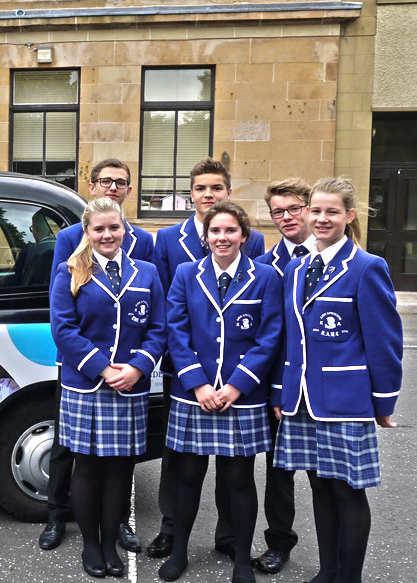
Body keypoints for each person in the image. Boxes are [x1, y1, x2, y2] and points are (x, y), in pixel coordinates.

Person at [274, 178, 402, 583]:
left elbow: (384, 342)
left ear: (349, 216)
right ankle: (327, 571)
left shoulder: (367, 267)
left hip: (345, 400)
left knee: (347, 491)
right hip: (301, 400)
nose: (322, 218)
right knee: (320, 489)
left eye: (332, 211)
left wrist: (383, 404)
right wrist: (281, 391)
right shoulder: (296, 267)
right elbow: (288, 339)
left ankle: (350, 577)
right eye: (315, 210)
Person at [147, 157, 266, 560]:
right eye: (201, 188)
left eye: (216, 188)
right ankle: (171, 528)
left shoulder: (254, 242)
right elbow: (165, 308)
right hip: (185, 370)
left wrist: (236, 381)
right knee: (179, 461)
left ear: (227, 193)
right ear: (191, 194)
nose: (208, 195)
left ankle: (230, 535)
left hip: (235, 372)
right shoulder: (167, 240)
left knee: (234, 467)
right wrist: (192, 374)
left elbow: (257, 311)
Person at [160, 201, 284, 583]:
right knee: (187, 477)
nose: (222, 237)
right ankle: (179, 552)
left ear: (244, 236)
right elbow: (176, 331)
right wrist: (198, 383)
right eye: (215, 231)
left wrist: (236, 385)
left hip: (241, 396)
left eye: (230, 231)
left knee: (239, 480)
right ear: (206, 236)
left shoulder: (265, 277)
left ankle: (242, 560)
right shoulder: (186, 273)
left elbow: (269, 336)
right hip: (192, 393)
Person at [41, 158, 154, 553]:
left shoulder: (145, 244)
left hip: (127, 369)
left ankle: (117, 524)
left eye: (120, 182)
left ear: (128, 191)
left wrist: (137, 365)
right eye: (105, 180)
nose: (112, 187)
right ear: (92, 187)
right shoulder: (70, 240)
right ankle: (57, 515)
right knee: (70, 450)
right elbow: (64, 311)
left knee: (119, 461)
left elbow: (151, 315)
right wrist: (98, 366)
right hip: (83, 367)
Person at [246, 178, 316, 574]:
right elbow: (265, 335)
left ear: (308, 209)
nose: (286, 217)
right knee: (278, 470)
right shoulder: (263, 267)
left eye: (294, 208)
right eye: (278, 211)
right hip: (277, 389)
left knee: (328, 478)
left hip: (322, 388)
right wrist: (273, 389)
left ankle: (338, 552)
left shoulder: (336, 258)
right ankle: (279, 542)